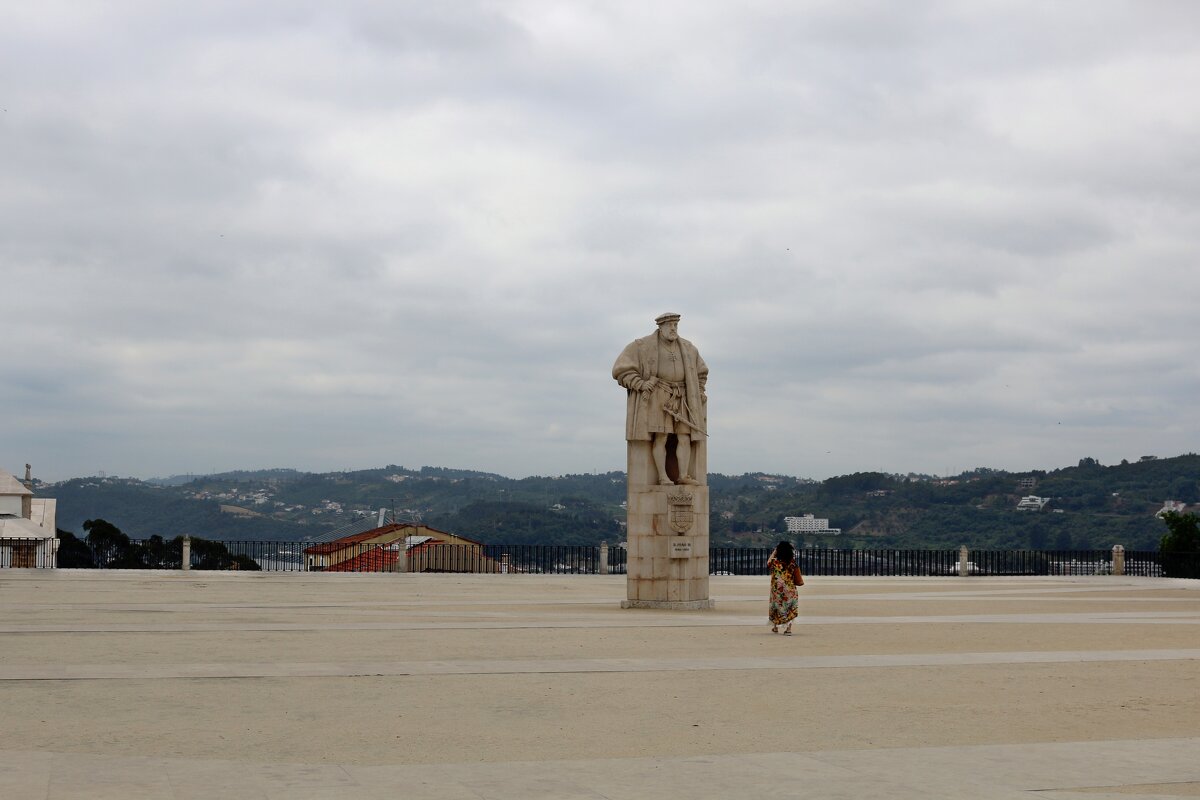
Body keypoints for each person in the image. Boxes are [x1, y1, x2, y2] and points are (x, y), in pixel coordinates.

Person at [612, 312, 708, 486]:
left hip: (683, 396)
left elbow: (701, 372)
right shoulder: (642, 346)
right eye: (670, 325)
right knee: (661, 436)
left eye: (676, 325)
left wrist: (699, 390)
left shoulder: (688, 348)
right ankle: (662, 476)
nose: (673, 329)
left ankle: (683, 475)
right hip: (658, 395)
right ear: (660, 327)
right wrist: (640, 383)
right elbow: (621, 370)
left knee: (685, 436)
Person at [767, 541, 804, 634]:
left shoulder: (775, 562)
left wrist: (775, 551)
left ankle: (775, 627)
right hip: (790, 589)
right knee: (790, 608)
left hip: (777, 590)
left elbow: (768, 563)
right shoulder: (792, 563)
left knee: (776, 607)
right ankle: (788, 629)